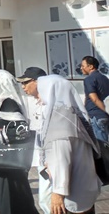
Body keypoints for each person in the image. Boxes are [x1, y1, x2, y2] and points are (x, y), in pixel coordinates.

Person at [37, 74, 101, 214]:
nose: (38, 96)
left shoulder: (58, 121)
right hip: (86, 190)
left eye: (40, 91)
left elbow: (61, 160)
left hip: (70, 197)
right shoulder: (73, 116)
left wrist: (58, 194)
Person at [0, 70, 37, 214]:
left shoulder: (8, 103)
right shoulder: (0, 103)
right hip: (3, 164)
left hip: (9, 166)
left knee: (12, 202)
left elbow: (22, 131)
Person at [15, 66, 50, 213]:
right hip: (43, 160)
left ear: (37, 82)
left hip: (53, 162)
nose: (23, 87)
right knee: (44, 200)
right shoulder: (37, 104)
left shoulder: (51, 104)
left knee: (49, 201)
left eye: (25, 82)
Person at [81, 56, 109, 143]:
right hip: (104, 116)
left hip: (96, 116)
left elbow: (94, 99)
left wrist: (106, 110)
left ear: (91, 66)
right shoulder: (105, 78)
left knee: (101, 145)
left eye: (83, 66)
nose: (81, 68)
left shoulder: (89, 79)